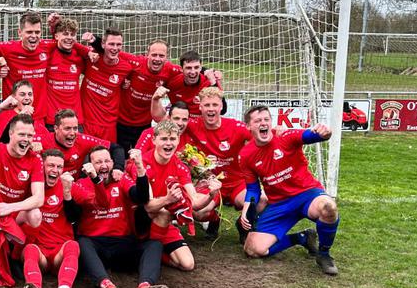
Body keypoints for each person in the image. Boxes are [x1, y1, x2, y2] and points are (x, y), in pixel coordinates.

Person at [239, 106, 340, 276]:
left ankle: (324, 254)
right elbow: (253, 189)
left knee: (329, 208)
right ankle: (302, 238)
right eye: (257, 121)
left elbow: (313, 135)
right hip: (279, 204)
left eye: (266, 119)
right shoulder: (246, 155)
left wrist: (325, 132)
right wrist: (245, 209)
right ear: (248, 126)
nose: (263, 123)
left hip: (307, 195)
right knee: (253, 249)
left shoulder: (286, 136)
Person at [65, 146, 169, 288]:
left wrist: (140, 167)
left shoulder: (122, 180)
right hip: (96, 246)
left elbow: (141, 197)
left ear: (113, 163)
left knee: (154, 244)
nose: (104, 165)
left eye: (107, 161)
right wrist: (93, 180)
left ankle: (145, 286)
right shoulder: (81, 184)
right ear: (89, 166)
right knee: (81, 243)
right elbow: (83, 210)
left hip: (123, 243)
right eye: (98, 162)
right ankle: (106, 286)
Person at [0, 97, 45, 286]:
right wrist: (1, 108)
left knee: (35, 215)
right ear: (11, 134)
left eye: (30, 136)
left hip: (11, 214)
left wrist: (9, 207)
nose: (26, 140)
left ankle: (16, 254)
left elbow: (38, 198)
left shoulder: (34, 160)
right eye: (21, 134)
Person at [134, 120, 220, 271]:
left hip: (163, 222)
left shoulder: (180, 166)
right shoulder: (144, 163)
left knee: (188, 265)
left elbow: (194, 204)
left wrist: (211, 195)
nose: (168, 143)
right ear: (154, 140)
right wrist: (168, 199)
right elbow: (148, 207)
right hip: (140, 220)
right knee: (164, 211)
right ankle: (148, 251)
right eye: (164, 139)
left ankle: (150, 254)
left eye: (172, 139)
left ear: (179, 140)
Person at [182, 87, 253, 238]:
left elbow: (261, 136)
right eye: (207, 105)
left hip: (237, 183)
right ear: (200, 107)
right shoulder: (193, 125)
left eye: (214, 105)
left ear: (221, 106)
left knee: (258, 201)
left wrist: (278, 131)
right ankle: (214, 220)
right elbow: (163, 119)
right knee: (198, 211)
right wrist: (155, 99)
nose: (211, 109)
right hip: (211, 183)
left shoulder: (236, 127)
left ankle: (242, 224)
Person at [21, 150, 81, 288]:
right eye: (51, 165)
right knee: (30, 249)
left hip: (58, 253)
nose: (55, 170)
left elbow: (87, 206)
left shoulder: (68, 186)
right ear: (42, 167)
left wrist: (69, 194)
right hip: (38, 249)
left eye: (59, 166)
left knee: (73, 246)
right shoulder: (30, 186)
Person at [116, 40, 183, 153]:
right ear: (147, 55)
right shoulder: (136, 63)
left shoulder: (171, 70)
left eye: (161, 55)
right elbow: (111, 51)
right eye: (154, 55)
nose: (157, 59)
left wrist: (209, 73)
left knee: (142, 157)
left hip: (144, 124)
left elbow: (189, 70)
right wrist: (94, 43)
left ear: (167, 57)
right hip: (121, 121)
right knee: (121, 158)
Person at [80, 28, 141, 143]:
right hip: (86, 122)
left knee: (105, 159)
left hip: (108, 124)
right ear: (103, 44)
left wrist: (125, 84)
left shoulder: (126, 68)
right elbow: (71, 48)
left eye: (119, 44)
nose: (115, 48)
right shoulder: (92, 58)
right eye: (111, 44)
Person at [37, 108, 125, 177]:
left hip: (73, 187)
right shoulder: (41, 140)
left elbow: (116, 148)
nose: (72, 133)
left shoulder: (82, 140)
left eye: (75, 128)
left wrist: (118, 168)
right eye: (67, 128)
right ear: (56, 129)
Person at [42, 17, 91, 129]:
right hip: (52, 120)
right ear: (56, 36)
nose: (69, 38)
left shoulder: (79, 57)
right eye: (65, 34)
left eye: (72, 34)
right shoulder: (48, 54)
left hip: (75, 119)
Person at [164, 51, 224, 117]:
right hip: (180, 122)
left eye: (196, 67)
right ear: (181, 69)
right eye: (188, 68)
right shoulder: (173, 81)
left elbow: (223, 110)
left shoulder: (210, 82)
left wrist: (213, 81)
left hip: (202, 122)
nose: (193, 72)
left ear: (200, 67)